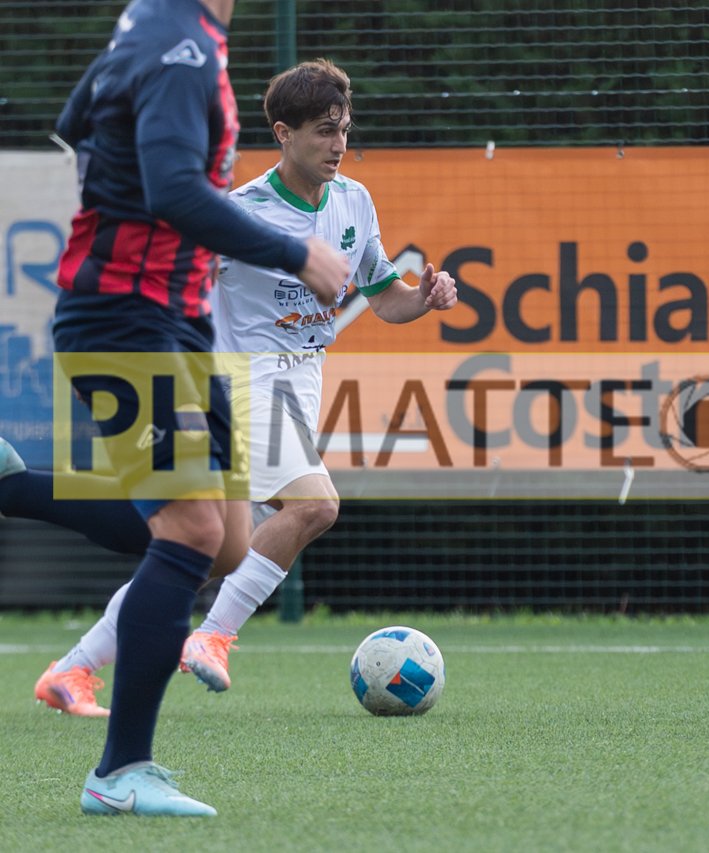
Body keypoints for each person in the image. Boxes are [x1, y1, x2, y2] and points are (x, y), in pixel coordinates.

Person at [21, 60, 456, 717]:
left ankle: (73, 666)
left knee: (197, 550)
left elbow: (384, 297)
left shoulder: (354, 201)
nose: (338, 143)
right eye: (323, 131)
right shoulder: (239, 213)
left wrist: (423, 298)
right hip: (245, 377)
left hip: (301, 379)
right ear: (283, 134)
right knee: (314, 506)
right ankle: (213, 636)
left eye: (344, 129)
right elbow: (173, 283)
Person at [27, 0, 350, 818]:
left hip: (175, 319)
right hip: (124, 312)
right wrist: (294, 251)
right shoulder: (181, 45)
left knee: (226, 540)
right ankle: (119, 771)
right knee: (195, 530)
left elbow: (77, 119)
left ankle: (11, 484)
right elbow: (172, 188)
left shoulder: (160, 26)